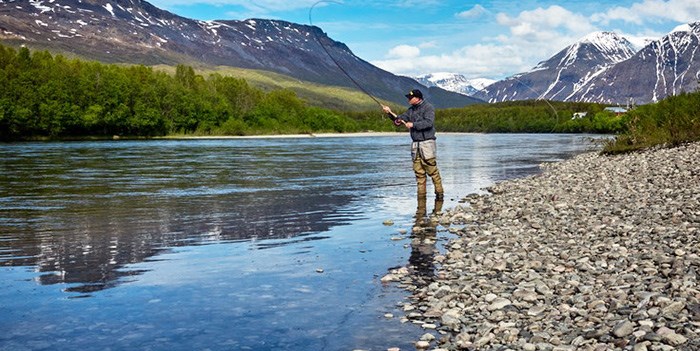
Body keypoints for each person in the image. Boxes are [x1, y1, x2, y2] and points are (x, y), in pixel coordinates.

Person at [382, 89, 444, 200]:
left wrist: (413, 124)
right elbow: (399, 120)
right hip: (416, 145)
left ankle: (439, 196)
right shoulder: (410, 110)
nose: (409, 100)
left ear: (418, 98)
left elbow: (429, 123)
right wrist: (390, 114)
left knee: (432, 171)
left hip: (427, 144)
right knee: (419, 174)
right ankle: (421, 198)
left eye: (411, 98)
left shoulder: (428, 107)